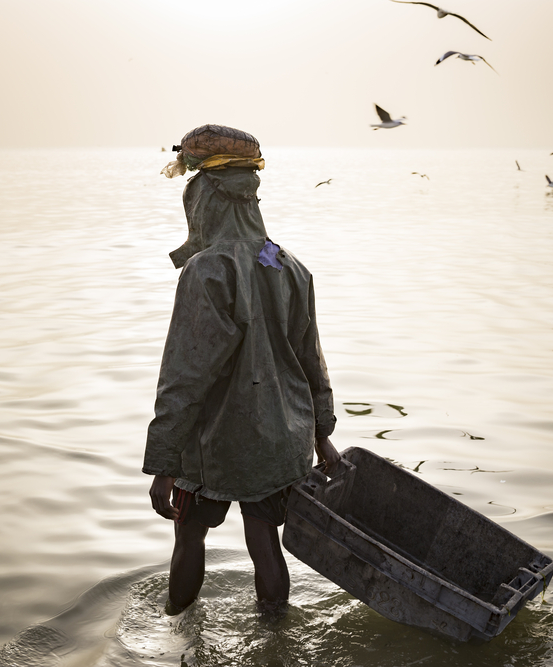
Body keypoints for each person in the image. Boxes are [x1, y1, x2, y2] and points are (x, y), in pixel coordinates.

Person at [143, 124, 340, 616]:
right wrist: (321, 435)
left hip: (216, 444)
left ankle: (177, 638)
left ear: (204, 198)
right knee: (264, 540)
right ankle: (275, 636)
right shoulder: (289, 265)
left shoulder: (208, 270)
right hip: (283, 438)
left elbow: (184, 378)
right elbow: (312, 360)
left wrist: (164, 464)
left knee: (189, 536)